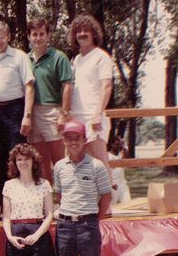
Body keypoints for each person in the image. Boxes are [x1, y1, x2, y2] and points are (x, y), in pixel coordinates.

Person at [53, 120, 112, 256]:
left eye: (77, 137)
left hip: (88, 226)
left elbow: (106, 195)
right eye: (69, 137)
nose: (73, 141)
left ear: (84, 139)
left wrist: (94, 218)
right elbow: (59, 195)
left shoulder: (96, 166)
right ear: (64, 140)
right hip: (66, 227)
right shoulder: (59, 167)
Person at [0, 21, 35, 192]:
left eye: (2, 37)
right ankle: (1, 202)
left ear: (8, 37)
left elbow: (29, 86)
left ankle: (21, 196)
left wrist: (27, 115)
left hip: (15, 110)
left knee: (17, 156)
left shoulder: (19, 56)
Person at [69, 13, 115, 188]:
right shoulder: (76, 60)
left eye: (86, 30)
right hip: (76, 119)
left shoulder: (101, 57)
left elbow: (106, 86)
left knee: (100, 162)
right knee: (82, 165)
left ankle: (107, 206)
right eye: (78, 31)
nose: (82, 33)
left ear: (94, 33)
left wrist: (97, 114)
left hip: (94, 117)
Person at [27, 18, 74, 185]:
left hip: (53, 112)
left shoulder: (58, 57)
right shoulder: (26, 60)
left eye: (41, 34)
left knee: (60, 162)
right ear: (29, 37)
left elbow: (68, 85)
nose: (38, 38)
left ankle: (65, 202)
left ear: (48, 36)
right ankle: (47, 205)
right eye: (34, 34)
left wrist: (64, 113)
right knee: (40, 164)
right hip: (33, 114)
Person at [107, 136, 131, 205]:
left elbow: (126, 163)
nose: (119, 146)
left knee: (128, 203)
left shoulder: (122, 154)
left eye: (120, 144)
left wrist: (124, 148)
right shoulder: (107, 155)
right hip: (113, 185)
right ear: (112, 144)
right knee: (111, 206)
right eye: (117, 145)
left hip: (123, 184)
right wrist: (112, 183)